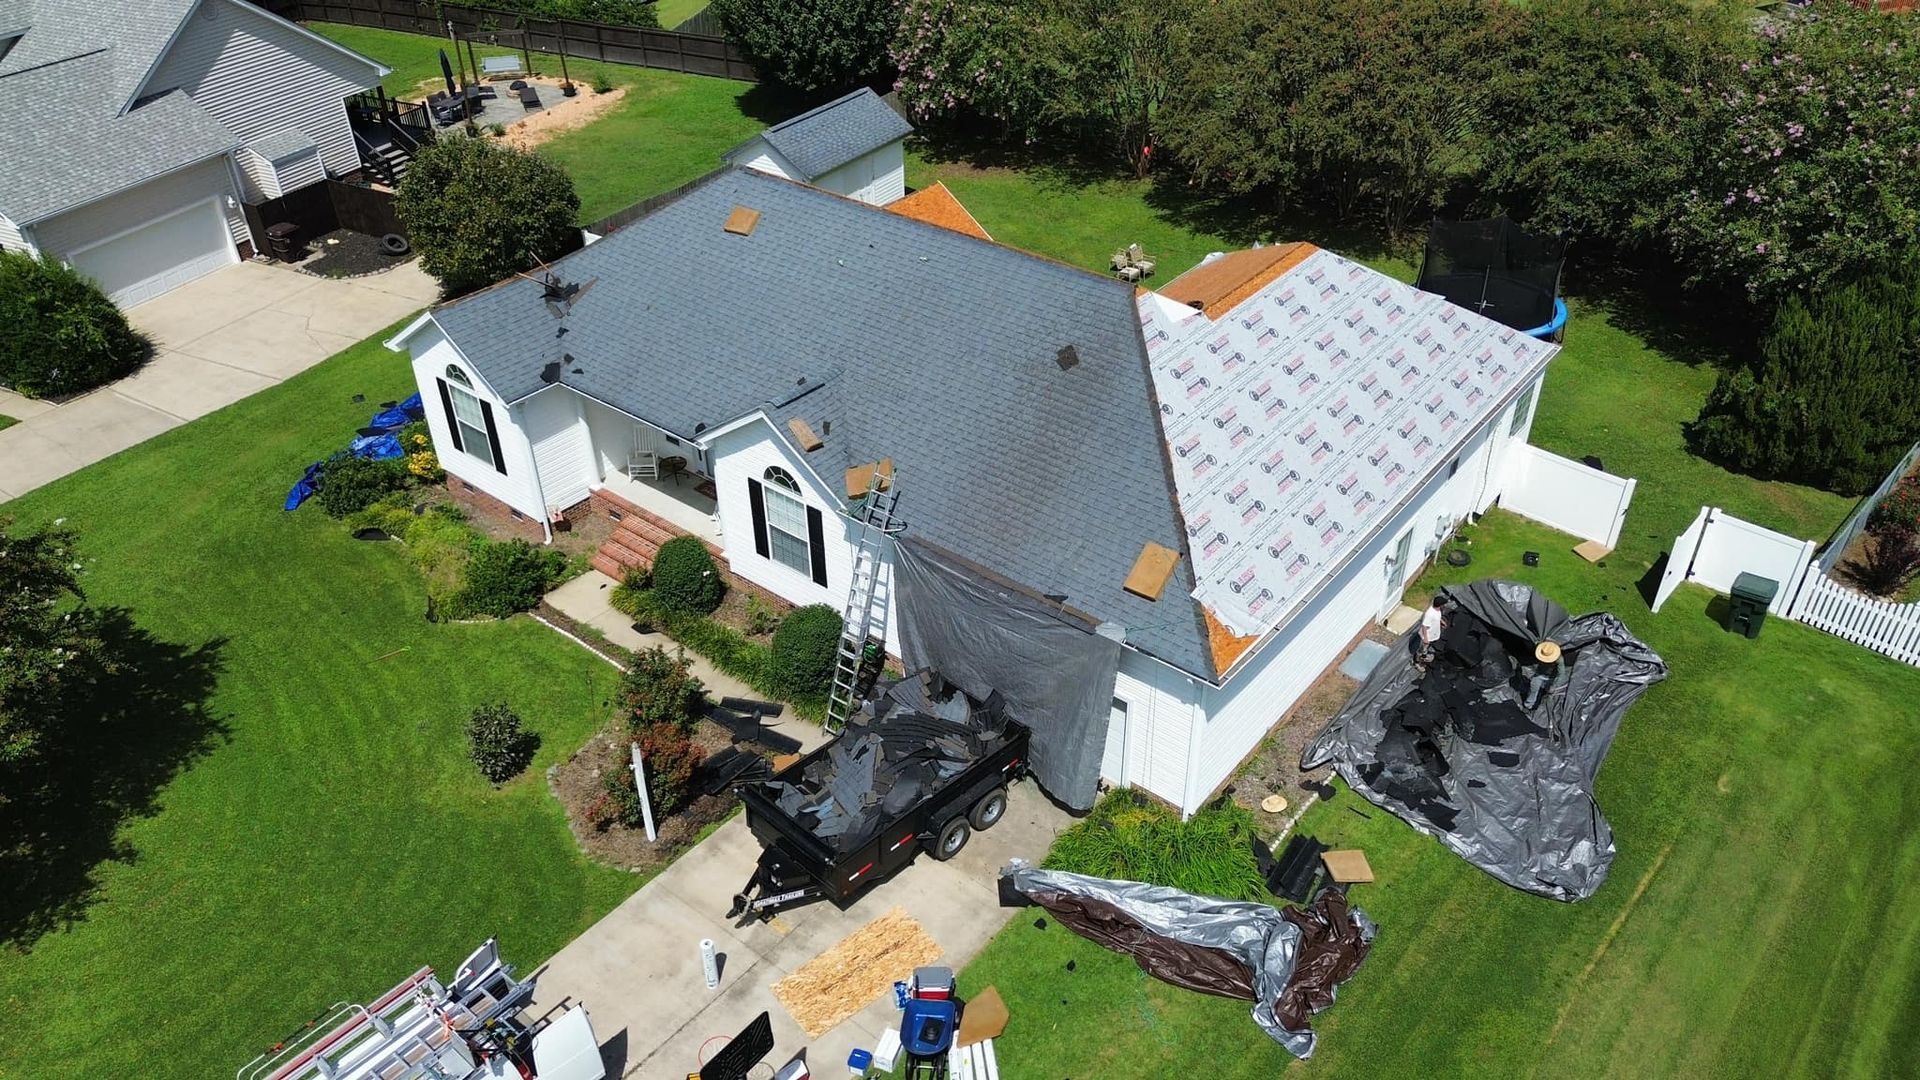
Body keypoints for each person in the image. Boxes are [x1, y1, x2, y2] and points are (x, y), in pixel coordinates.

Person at [1524, 640, 1564, 709]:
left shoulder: (1559, 659)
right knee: (1533, 688)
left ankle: (1544, 703)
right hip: (1539, 674)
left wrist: (1555, 685)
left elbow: (1561, 673)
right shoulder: (1542, 649)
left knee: (1549, 691)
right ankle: (1529, 705)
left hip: (1551, 677)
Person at [1416, 595, 1449, 666]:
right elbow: (1424, 625)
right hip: (1427, 635)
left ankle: (1423, 656)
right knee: (1422, 649)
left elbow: (1438, 616)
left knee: (1426, 647)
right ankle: (1418, 663)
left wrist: (1441, 621)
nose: (1444, 606)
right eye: (1443, 604)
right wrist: (1425, 638)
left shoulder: (1437, 609)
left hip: (1432, 633)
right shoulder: (1430, 614)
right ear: (1440, 605)